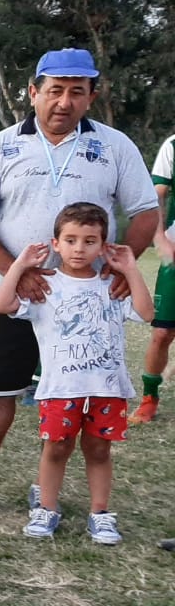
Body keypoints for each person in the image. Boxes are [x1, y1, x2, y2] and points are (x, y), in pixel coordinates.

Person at [0, 48, 159, 516]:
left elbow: (145, 213)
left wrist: (122, 268)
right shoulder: (0, 146)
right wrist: (18, 274)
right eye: (55, 90)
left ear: (91, 96)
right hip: (20, 297)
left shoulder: (115, 146)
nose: (64, 102)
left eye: (77, 92)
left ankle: (46, 488)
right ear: (33, 92)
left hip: (86, 303)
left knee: (67, 394)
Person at [0, 202, 152, 543]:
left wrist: (130, 269)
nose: (79, 248)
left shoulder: (112, 285)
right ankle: (46, 508)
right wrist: (20, 266)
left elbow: (146, 313)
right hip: (61, 388)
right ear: (56, 244)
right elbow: (2, 305)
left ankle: (101, 514)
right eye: (71, 240)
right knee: (56, 448)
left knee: (99, 450)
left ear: (103, 245)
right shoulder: (45, 286)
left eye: (90, 241)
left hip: (107, 389)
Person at [127, 130, 175, 424]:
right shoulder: (172, 145)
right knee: (162, 333)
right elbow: (155, 196)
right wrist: (160, 239)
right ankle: (149, 399)